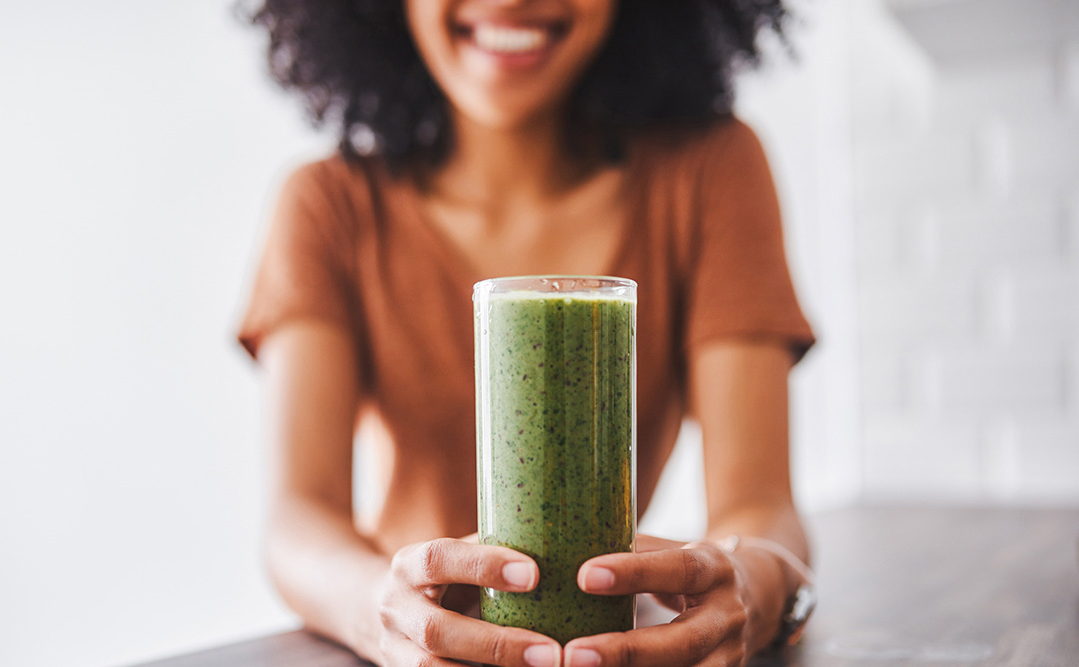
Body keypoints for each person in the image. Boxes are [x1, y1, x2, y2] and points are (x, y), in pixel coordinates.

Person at [235, 1, 816, 666]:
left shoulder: (709, 170)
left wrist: (752, 583)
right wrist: (383, 614)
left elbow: (760, 502)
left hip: (602, 639)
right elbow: (298, 519)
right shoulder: (329, 204)